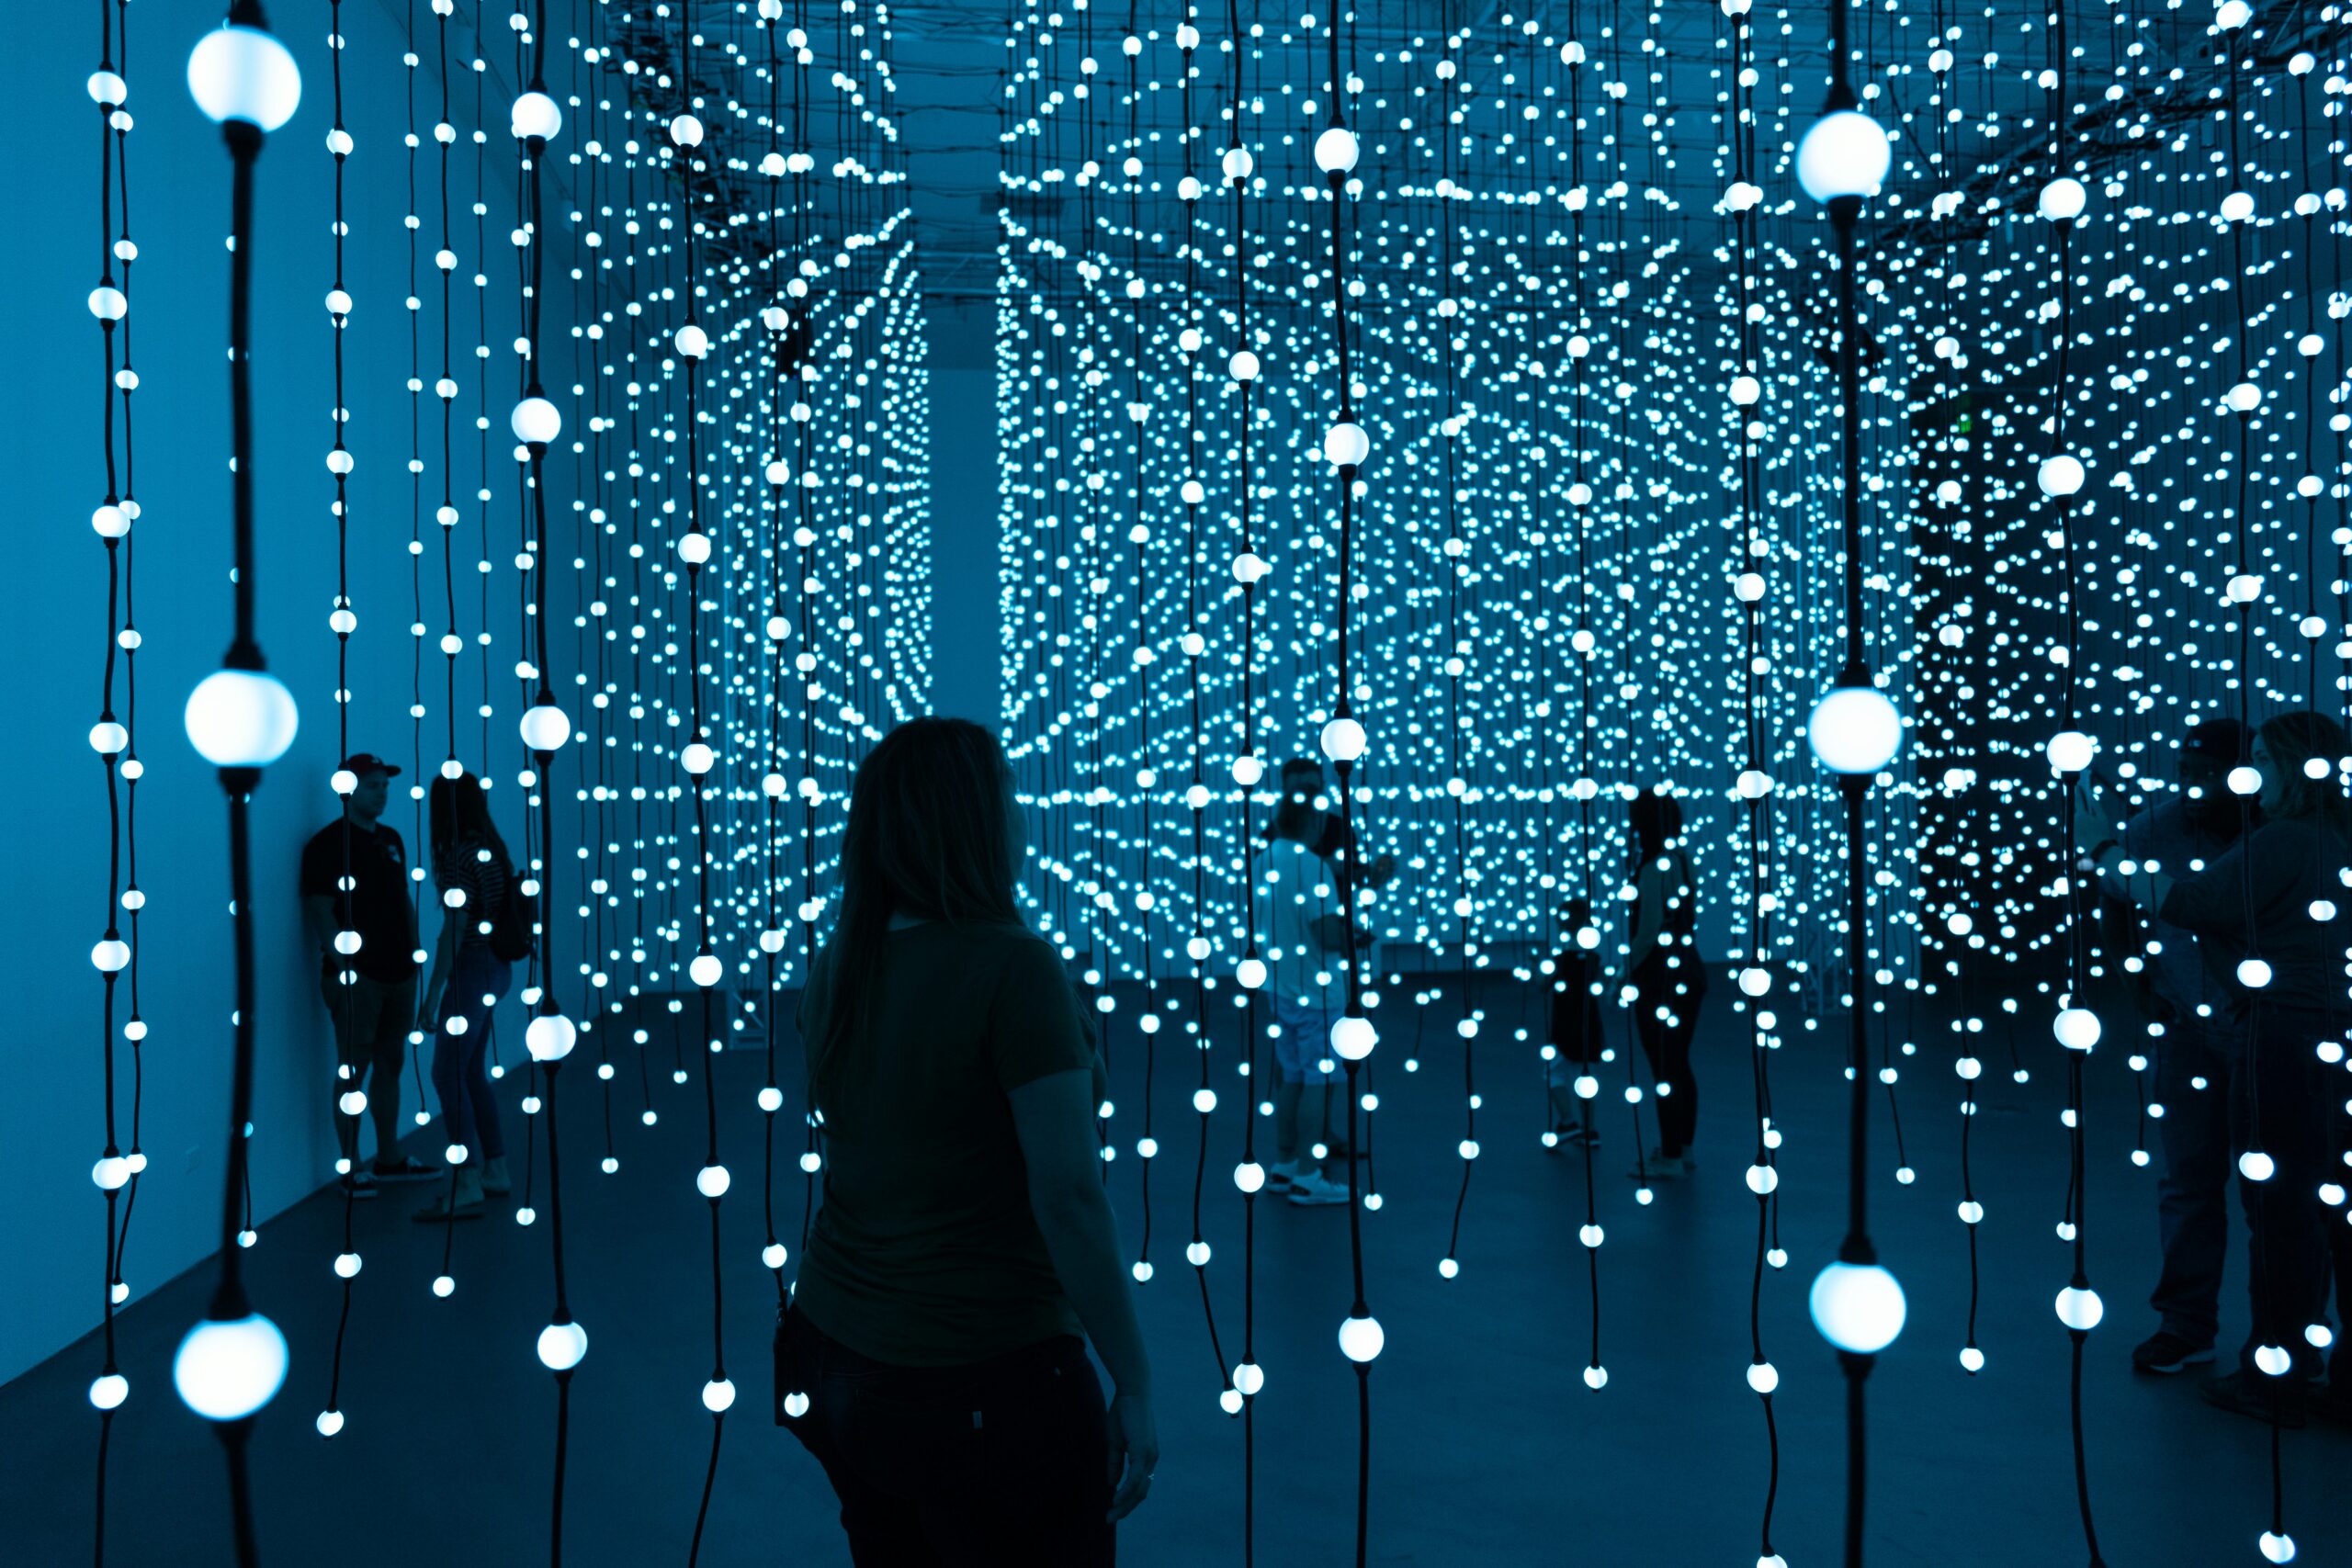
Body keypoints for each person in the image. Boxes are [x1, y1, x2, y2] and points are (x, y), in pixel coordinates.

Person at [775, 717, 1156, 1562]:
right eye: (1010, 799)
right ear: (979, 820)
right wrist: (1134, 1380)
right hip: (979, 1373)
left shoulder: (842, 961)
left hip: (833, 1351)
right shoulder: (1013, 968)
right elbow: (1068, 1197)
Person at [2082, 711, 2352, 1426]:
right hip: (2326, 1039)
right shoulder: (2336, 835)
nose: (2243, 774)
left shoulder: (2285, 839)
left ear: (2294, 765)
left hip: (2281, 1042)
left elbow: (2190, 903)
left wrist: (2102, 847)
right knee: (2324, 1207)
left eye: (2259, 758)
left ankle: (2278, 1374)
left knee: (2281, 1211)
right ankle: (2322, 1367)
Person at [2097, 718, 2249, 1376]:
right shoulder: (2152, 829)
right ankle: (2186, 1324)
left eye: (2210, 772)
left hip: (2268, 1033)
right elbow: (2116, 903)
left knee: (2283, 1194)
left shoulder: (2278, 836)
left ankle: (2285, 1342)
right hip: (2188, 1029)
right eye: (2188, 769)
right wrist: (2138, 979)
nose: (2195, 784)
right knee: (2188, 1180)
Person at [300, 752, 434, 1195]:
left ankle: (390, 1157)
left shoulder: (390, 839)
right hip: (361, 979)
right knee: (352, 1072)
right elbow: (320, 909)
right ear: (348, 789)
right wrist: (346, 967)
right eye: (373, 785)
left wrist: (414, 951)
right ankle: (351, 1167)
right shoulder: (327, 845)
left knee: (390, 1064)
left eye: (384, 785)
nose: (382, 792)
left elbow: (402, 899)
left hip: (398, 974)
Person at [411, 771, 517, 1223]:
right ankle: (495, 1168)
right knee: (471, 1072)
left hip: (472, 969)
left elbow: (455, 928)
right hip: (497, 967)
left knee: (446, 1074)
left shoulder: (459, 858)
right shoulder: (492, 851)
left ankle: (467, 1179)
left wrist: (433, 992)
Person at [1261, 787, 1356, 1207]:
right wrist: (1354, 935)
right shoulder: (1314, 867)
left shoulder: (1263, 860)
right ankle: (1308, 1174)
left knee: (1294, 1077)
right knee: (1321, 1079)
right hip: (1317, 994)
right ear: (1314, 824)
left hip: (1279, 990)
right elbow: (1326, 934)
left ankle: (1284, 1165)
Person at [1619, 790, 1709, 1179]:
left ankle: (1670, 1157)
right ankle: (1682, 1149)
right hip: (1689, 972)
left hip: (1660, 980)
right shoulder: (1682, 860)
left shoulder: (1653, 868)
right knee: (1680, 1063)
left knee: (1664, 1070)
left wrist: (1623, 974)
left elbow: (1647, 932)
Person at [1542, 897, 1607, 1150]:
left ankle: (1568, 1123)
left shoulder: (1561, 959)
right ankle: (1590, 1130)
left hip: (1564, 1023)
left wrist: (1538, 964)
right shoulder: (1594, 957)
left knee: (1553, 1072)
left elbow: (1541, 985)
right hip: (1589, 1023)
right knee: (1586, 1076)